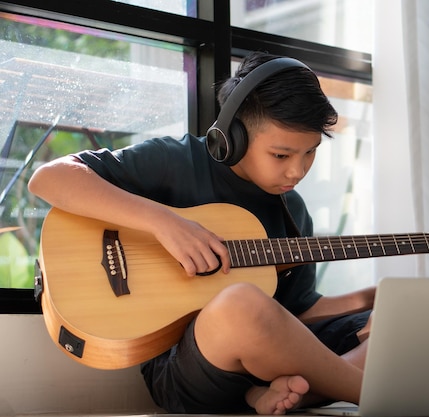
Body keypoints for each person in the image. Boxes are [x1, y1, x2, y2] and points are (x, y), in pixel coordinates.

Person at [28, 51, 375, 415]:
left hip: (261, 362)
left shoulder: (293, 212)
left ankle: (284, 395)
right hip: (184, 370)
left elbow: (292, 318)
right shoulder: (176, 161)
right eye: (281, 155)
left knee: (391, 328)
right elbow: (49, 178)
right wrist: (165, 223)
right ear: (234, 136)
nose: (297, 171)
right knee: (240, 304)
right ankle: (371, 391)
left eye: (310, 153)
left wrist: (374, 297)